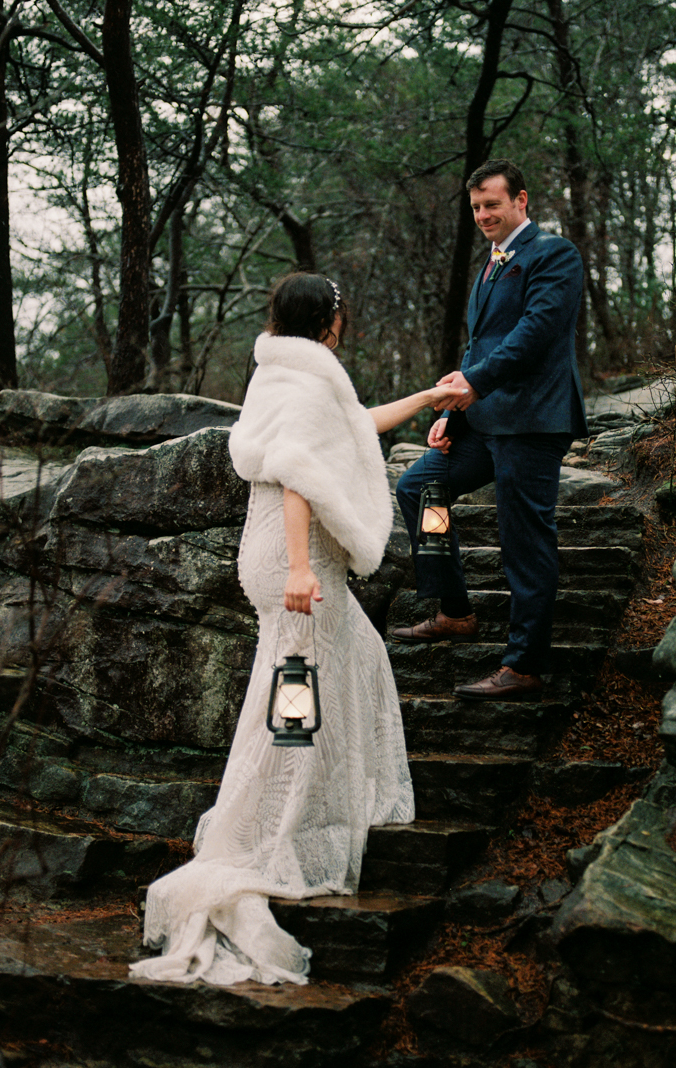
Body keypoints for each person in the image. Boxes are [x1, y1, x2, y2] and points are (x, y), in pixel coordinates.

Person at [131, 273, 448, 986]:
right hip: (294, 559)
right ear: (330, 321)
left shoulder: (283, 376)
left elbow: (355, 427)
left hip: (275, 554)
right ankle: (273, 831)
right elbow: (299, 474)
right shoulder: (306, 386)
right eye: (342, 314)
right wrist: (303, 568)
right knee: (296, 697)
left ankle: (322, 810)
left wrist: (427, 397)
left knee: (357, 657)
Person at [392, 158, 588, 699]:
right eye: (476, 207)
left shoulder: (553, 253)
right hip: (483, 420)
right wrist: (451, 412)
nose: (482, 215)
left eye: (492, 204)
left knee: (524, 539)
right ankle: (455, 611)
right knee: (419, 488)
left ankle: (523, 665)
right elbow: (480, 346)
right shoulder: (491, 263)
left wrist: (473, 384)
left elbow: (535, 332)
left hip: (532, 421)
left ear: (521, 200)